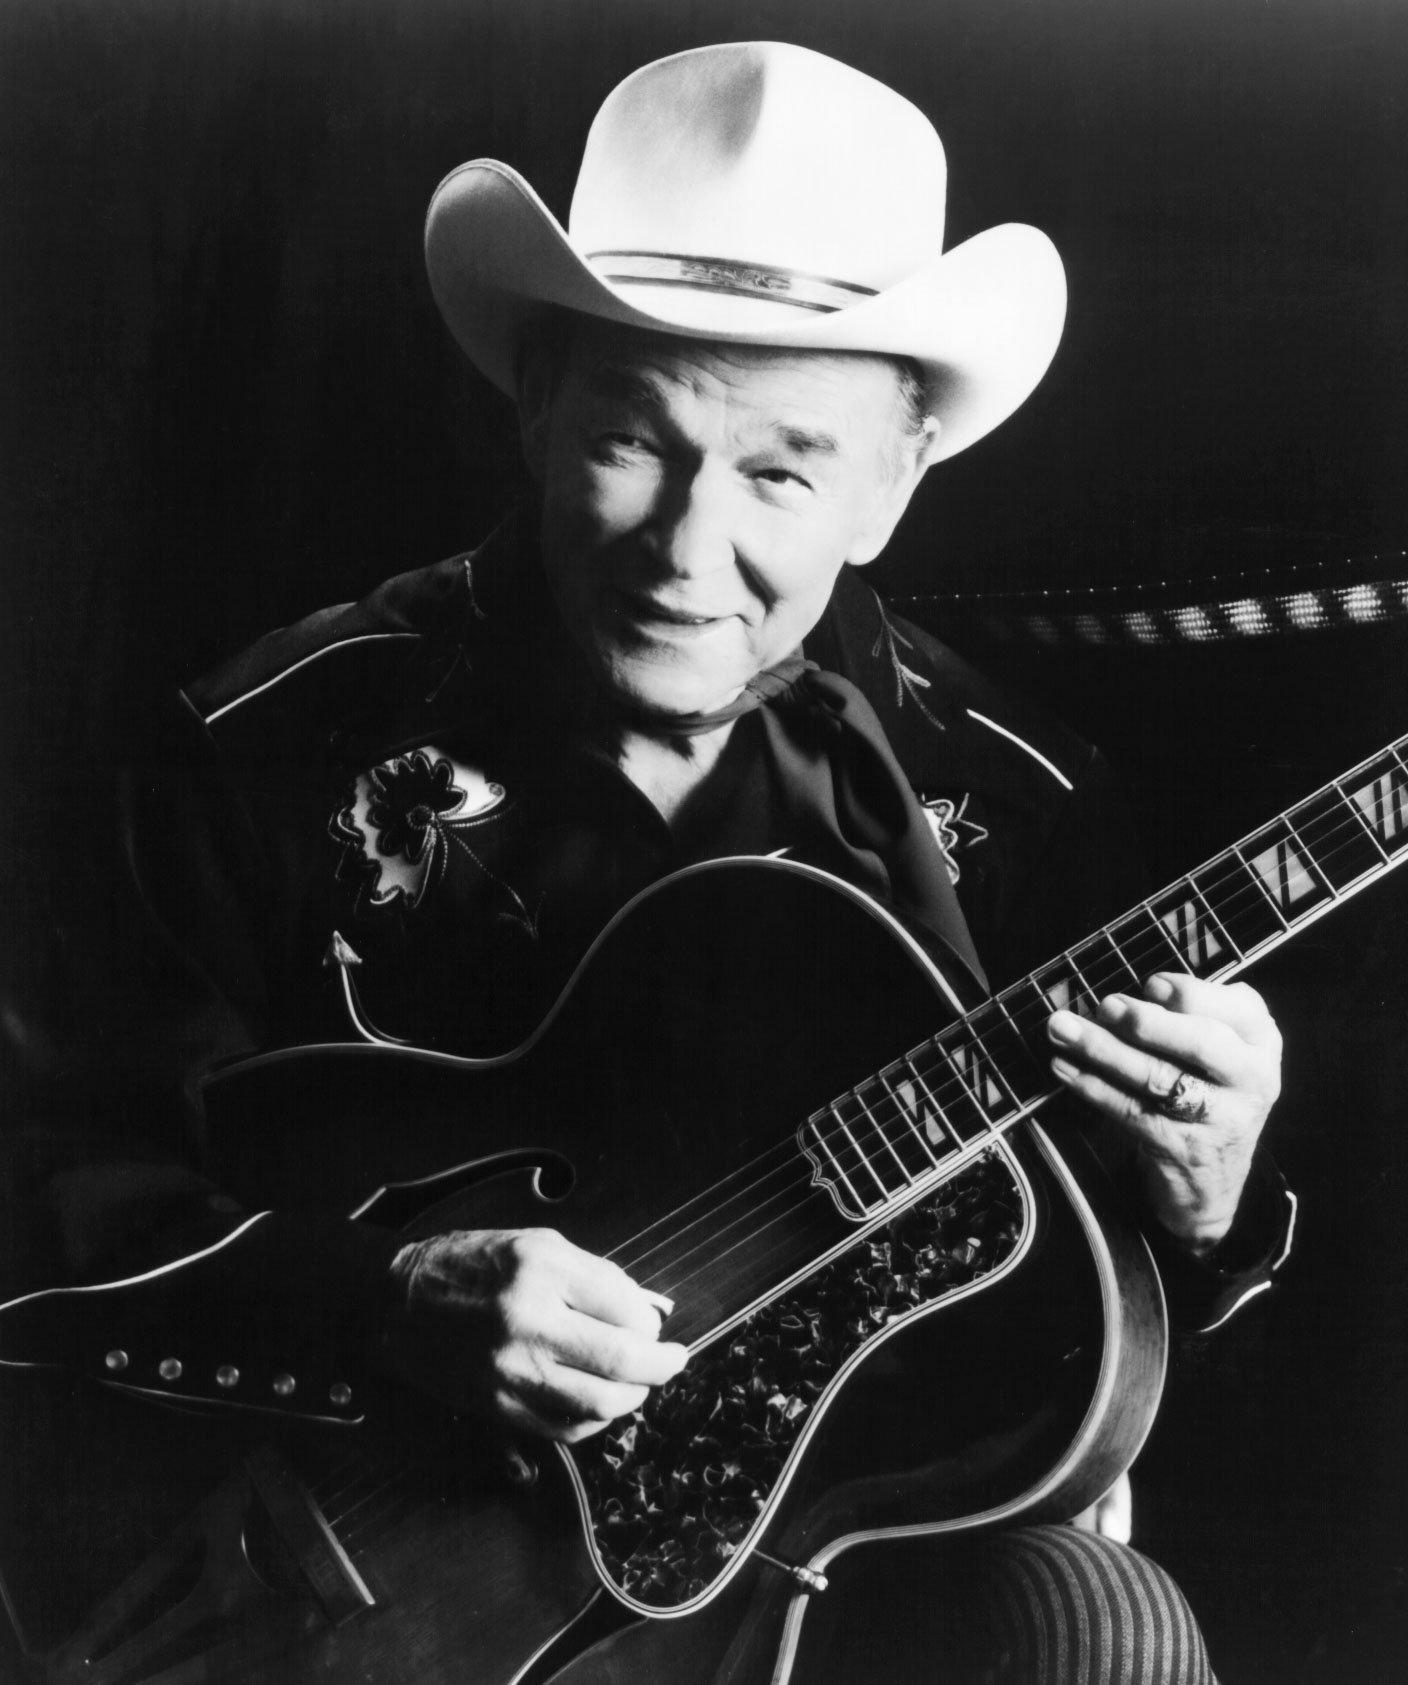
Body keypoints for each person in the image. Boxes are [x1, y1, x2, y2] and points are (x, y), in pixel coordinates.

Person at [1, 41, 1295, 1684]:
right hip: (339, 1571)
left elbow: (1096, 1359)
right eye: (633, 438)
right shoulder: (258, 750)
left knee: (1106, 1628)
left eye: (781, 471)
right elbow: (43, 1195)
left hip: (814, 1565)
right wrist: (379, 1298)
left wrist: (1204, 1204)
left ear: (893, 483)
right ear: (538, 407)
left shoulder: (1021, 803)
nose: (687, 552)